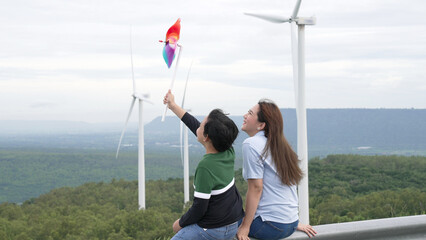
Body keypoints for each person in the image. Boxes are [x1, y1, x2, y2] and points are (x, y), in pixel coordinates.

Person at [163, 90, 245, 240]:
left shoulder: (205, 167)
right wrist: (173, 106)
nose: (198, 126)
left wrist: (180, 223)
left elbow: (199, 208)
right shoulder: (228, 150)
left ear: (207, 137)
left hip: (213, 229)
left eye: (201, 125)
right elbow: (194, 124)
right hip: (233, 223)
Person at [237, 99, 317, 240]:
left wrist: (245, 227)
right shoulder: (281, 147)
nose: (244, 115)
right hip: (291, 224)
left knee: (219, 215)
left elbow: (256, 188)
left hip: (269, 226)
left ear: (261, 125)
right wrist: (294, 222)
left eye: (250, 113)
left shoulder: (251, 144)